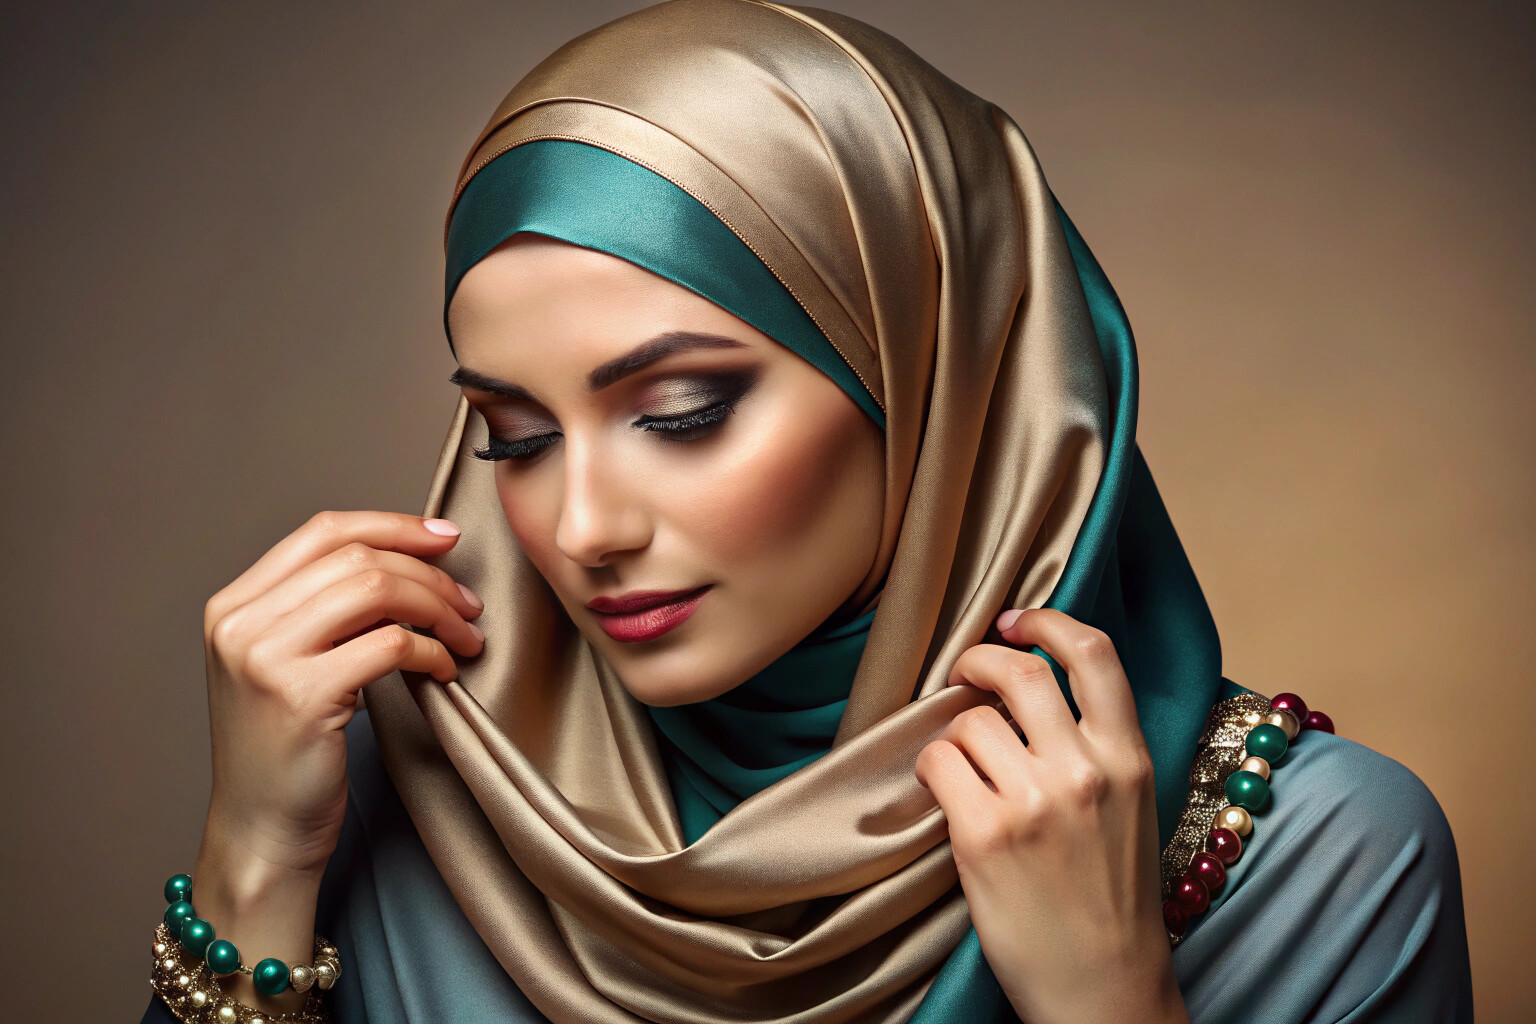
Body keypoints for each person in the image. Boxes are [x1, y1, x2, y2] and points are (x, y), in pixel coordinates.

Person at [141, 2, 1474, 1022]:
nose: (585, 525)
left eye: (681, 412)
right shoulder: (417, 795)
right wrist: (253, 859)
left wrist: (1105, 997)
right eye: (515, 435)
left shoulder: (1308, 859)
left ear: (935, 380)